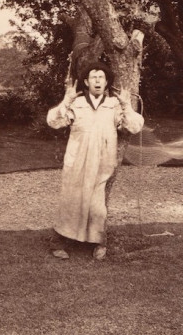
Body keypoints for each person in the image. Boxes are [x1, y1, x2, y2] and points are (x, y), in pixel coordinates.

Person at [47, 62, 144, 260]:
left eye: (101, 77)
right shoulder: (77, 104)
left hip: (102, 162)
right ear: (86, 82)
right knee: (71, 200)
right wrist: (66, 101)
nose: (98, 81)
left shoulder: (114, 106)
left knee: (97, 205)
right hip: (77, 161)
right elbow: (53, 122)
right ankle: (58, 242)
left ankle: (99, 242)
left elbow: (135, 127)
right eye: (94, 77)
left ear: (107, 82)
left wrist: (126, 104)